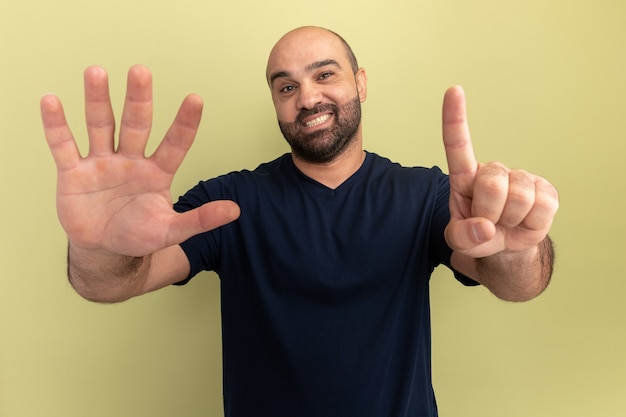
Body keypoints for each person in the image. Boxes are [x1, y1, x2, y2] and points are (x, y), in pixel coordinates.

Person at [41, 26, 558, 417]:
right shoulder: (228, 201)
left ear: (359, 82)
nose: (307, 98)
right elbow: (111, 284)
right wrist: (100, 248)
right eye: (285, 87)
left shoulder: (426, 196)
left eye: (324, 74)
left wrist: (515, 250)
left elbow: (518, 283)